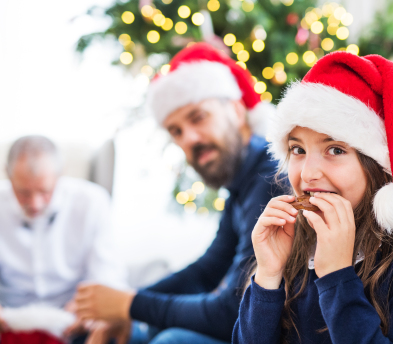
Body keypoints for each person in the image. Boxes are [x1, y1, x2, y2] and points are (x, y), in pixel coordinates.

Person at [234, 52, 393, 343]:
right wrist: (267, 276)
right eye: (298, 150)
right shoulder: (293, 247)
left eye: (335, 150)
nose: (308, 174)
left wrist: (337, 275)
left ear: (375, 165)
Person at [74, 43, 282, 344]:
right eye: (176, 131)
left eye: (198, 117)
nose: (190, 139)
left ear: (237, 111)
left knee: (170, 340)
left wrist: (128, 305)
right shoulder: (242, 181)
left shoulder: (271, 175)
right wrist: (125, 306)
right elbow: (206, 271)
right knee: (137, 331)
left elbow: (235, 310)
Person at [0, 135, 126, 343]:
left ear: (61, 175)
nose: (35, 204)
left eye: (44, 191)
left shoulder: (92, 202)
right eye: (23, 192)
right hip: (9, 321)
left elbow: (107, 273)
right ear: (8, 175)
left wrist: (88, 308)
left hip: (73, 321)